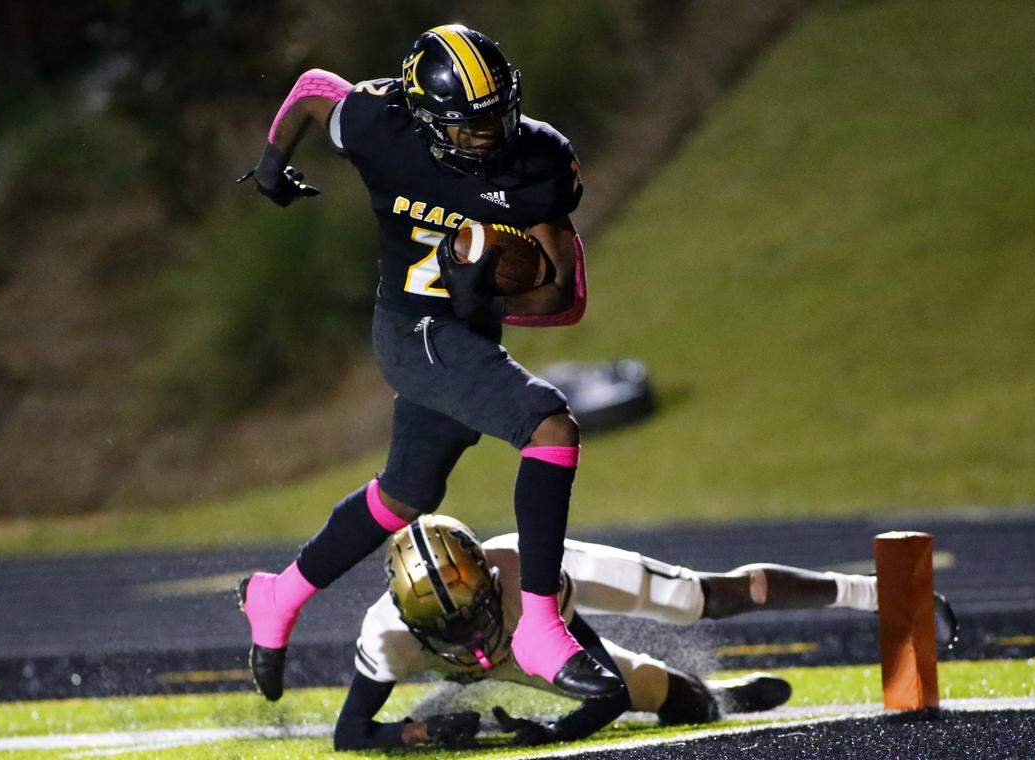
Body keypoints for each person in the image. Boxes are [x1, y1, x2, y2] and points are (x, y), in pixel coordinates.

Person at [235, 24, 617, 703]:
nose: (488, 135)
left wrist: (493, 285)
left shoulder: (539, 159)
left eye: (498, 114)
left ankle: (278, 595)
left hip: (466, 335)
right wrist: (271, 165)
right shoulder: (385, 127)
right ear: (423, 117)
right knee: (550, 429)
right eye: (469, 126)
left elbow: (565, 299)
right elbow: (315, 91)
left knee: (404, 497)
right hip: (411, 333)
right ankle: (539, 628)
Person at [332, 515, 959, 749]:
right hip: (512, 646)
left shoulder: (529, 584)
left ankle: (876, 594)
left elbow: (603, 693)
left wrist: (547, 733)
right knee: (675, 698)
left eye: (475, 606)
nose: (471, 627)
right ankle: (721, 698)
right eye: (452, 621)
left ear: (491, 579)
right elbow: (350, 734)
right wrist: (418, 734)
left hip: (544, 614)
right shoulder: (387, 635)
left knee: (698, 598)